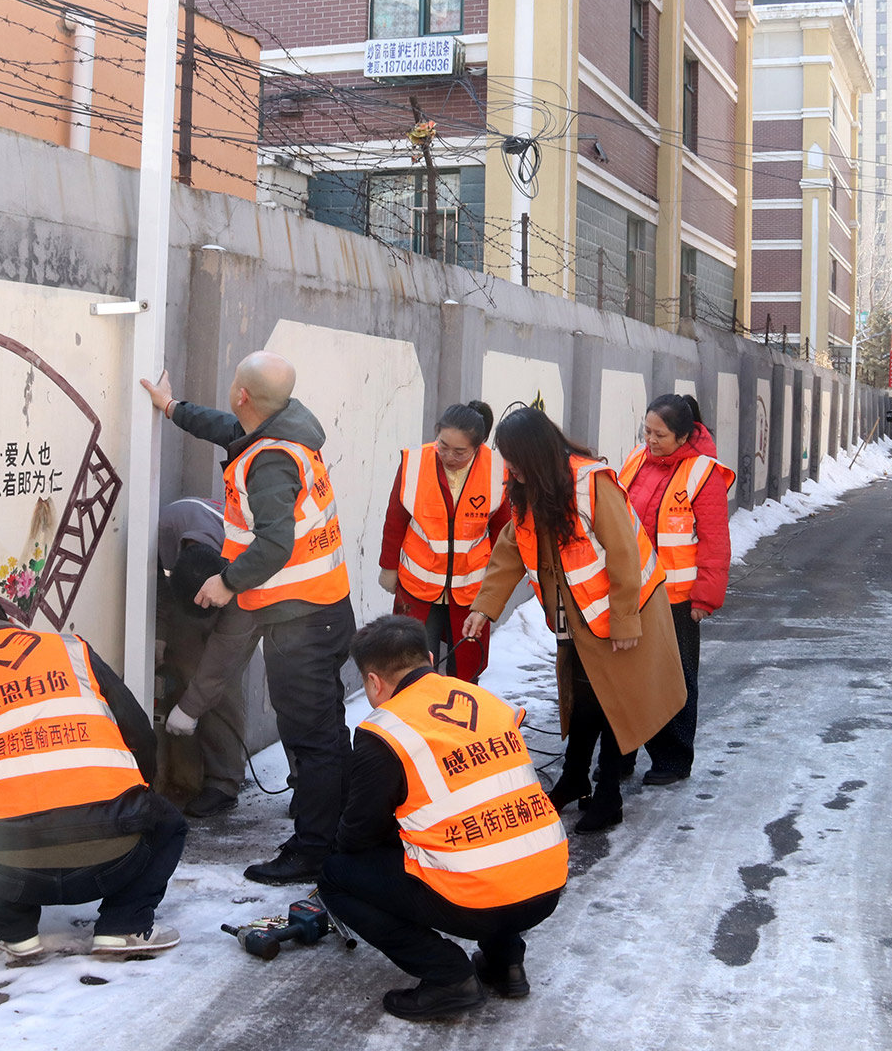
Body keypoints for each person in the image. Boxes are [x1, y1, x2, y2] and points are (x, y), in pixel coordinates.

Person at [141, 352, 356, 885]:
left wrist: (227, 581)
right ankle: (336, 825)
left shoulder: (272, 460)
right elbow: (224, 427)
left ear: (243, 395)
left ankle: (314, 849)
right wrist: (171, 407)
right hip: (324, 608)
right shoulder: (283, 427)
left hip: (301, 621)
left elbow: (275, 544)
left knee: (312, 738)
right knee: (326, 729)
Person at [320, 615, 567, 1021]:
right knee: (490, 843)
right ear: (430, 660)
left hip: (477, 902)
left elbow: (358, 834)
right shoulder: (486, 701)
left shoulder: (386, 730)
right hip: (546, 883)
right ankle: (506, 963)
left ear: (373, 682)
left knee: (336, 875)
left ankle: (449, 977)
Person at [0, 593, 185, 960]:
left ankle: (13, 931)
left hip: (12, 870)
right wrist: (138, 797)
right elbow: (140, 733)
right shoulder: (72, 650)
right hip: (116, 858)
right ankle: (125, 925)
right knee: (168, 821)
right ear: (14, 625)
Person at [463, 407, 683, 834]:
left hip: (625, 609)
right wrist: (484, 607)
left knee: (616, 702)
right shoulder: (528, 488)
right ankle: (574, 778)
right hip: (579, 616)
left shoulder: (591, 482)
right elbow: (511, 548)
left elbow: (625, 554)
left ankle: (609, 795)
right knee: (584, 699)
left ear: (536, 454)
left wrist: (624, 621)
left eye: (514, 459)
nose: (509, 468)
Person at [619, 394, 733, 786]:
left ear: (683, 436)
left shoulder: (704, 474)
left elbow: (715, 543)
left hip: (677, 600)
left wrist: (705, 598)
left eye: (660, 435)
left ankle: (673, 759)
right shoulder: (636, 460)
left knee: (675, 679)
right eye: (647, 431)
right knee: (624, 676)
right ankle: (620, 756)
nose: (650, 440)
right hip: (631, 592)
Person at [378, 400, 509, 681]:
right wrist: (388, 568)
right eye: (443, 445)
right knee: (412, 665)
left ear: (478, 446)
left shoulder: (497, 470)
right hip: (418, 584)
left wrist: (496, 586)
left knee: (465, 669)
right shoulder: (414, 464)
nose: (449, 456)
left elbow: (504, 533)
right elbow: (395, 520)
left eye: (460, 452)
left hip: (470, 588)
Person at [156, 497, 255, 818]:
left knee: (220, 683)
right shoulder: (168, 526)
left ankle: (223, 782)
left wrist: (189, 709)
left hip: (260, 596)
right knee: (188, 663)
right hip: (199, 582)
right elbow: (160, 585)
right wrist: (159, 635)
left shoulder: (244, 560)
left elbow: (221, 661)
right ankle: (187, 772)